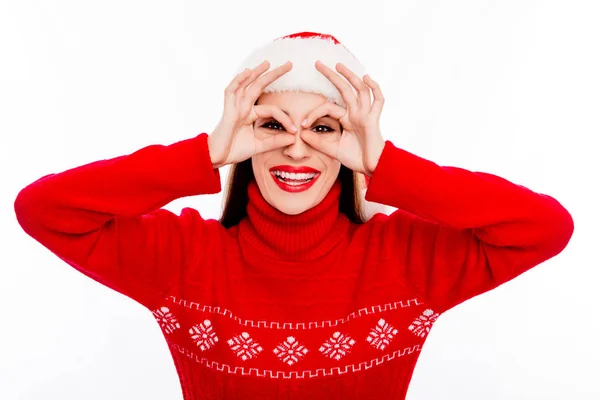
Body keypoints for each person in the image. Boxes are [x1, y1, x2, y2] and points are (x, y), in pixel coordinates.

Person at [14, 32, 574, 400]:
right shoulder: (182, 257)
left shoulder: (407, 258)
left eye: (325, 129)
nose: (299, 150)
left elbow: (545, 228)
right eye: (273, 126)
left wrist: (385, 165)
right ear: (243, 138)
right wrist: (204, 153)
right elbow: (43, 209)